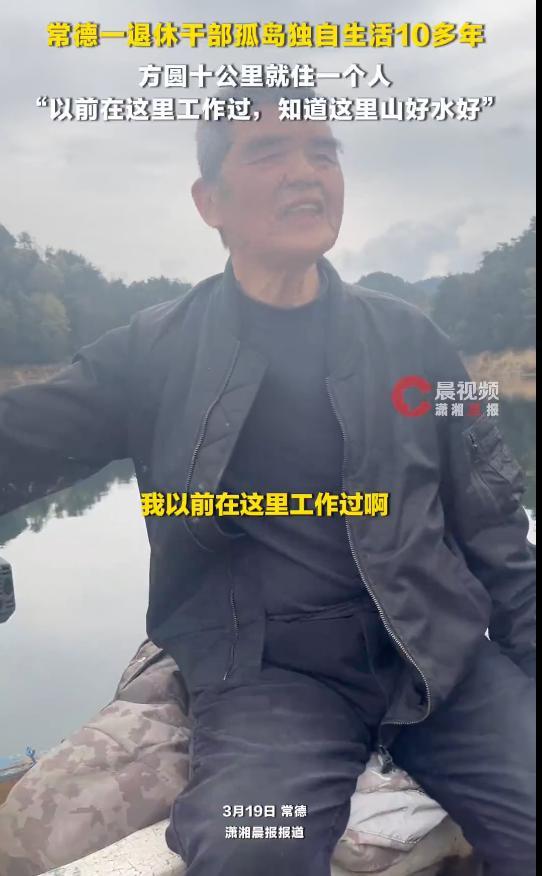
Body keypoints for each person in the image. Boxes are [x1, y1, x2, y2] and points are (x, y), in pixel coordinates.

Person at [0, 86, 535, 876]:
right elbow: (21, 437)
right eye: (269, 153)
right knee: (252, 843)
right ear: (209, 202)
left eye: (323, 152)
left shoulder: (414, 344)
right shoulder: (156, 353)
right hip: (268, 679)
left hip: (438, 657)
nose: (305, 172)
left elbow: (494, 528)